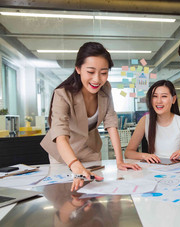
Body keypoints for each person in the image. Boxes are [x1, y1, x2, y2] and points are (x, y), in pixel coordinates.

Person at [41, 42, 141, 191]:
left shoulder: (106, 88)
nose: (97, 79)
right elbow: (60, 134)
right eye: (91, 71)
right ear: (78, 69)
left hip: (89, 150)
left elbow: (111, 122)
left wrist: (119, 160)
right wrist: (75, 165)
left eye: (103, 72)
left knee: (92, 194)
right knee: (65, 196)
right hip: (63, 155)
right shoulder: (62, 94)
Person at [125, 80, 180, 163]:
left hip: (177, 170)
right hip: (154, 170)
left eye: (164, 96)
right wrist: (145, 155)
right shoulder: (145, 121)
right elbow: (128, 153)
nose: (158, 101)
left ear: (173, 99)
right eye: (155, 96)